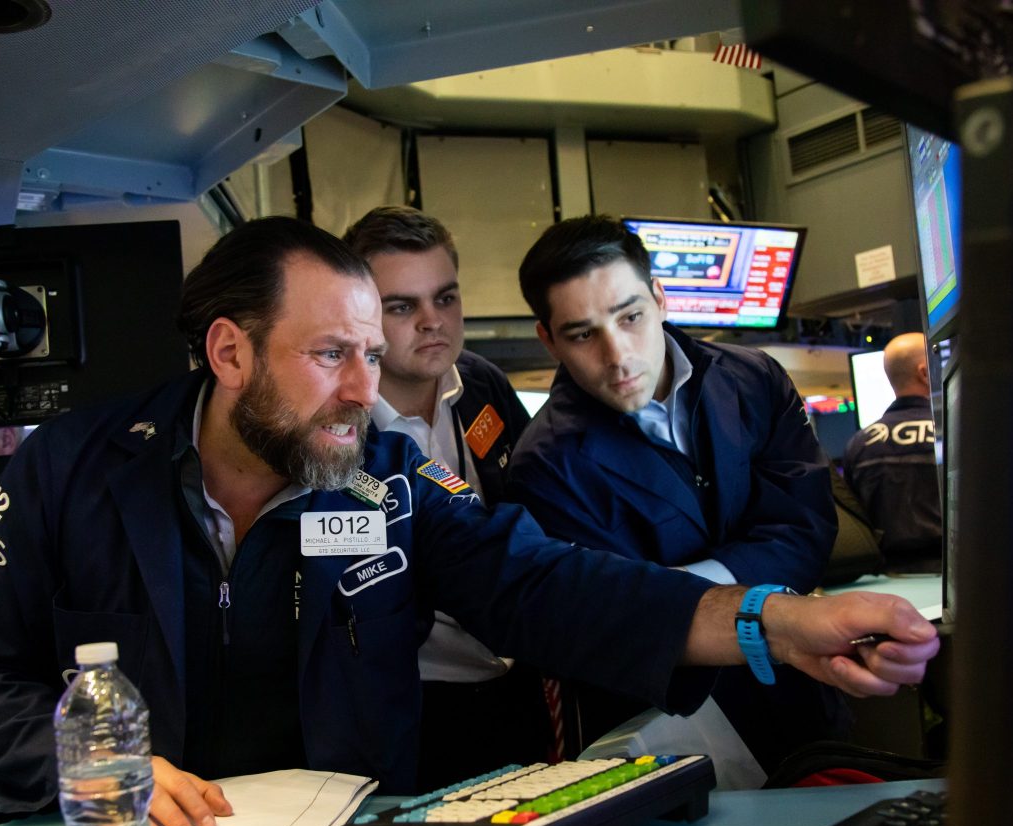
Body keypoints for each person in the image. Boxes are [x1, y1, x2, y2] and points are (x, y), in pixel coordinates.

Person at [0, 216, 938, 826]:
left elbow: (549, 587)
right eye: (333, 355)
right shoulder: (72, 470)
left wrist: (771, 621)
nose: (366, 391)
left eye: (371, 356)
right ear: (229, 351)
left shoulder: (387, 481)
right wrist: (87, 764)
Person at [505, 215, 847, 772]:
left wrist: (683, 589)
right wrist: (727, 581)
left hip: (803, 690)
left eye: (630, 317)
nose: (617, 356)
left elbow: (806, 529)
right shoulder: (545, 466)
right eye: (583, 334)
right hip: (676, 730)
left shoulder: (755, 378)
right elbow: (625, 619)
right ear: (548, 340)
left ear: (660, 298)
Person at [343, 206, 554, 788]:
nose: (434, 322)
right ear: (360, 313)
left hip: (518, 682)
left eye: (446, 298)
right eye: (403, 307)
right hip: (413, 704)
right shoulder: (338, 425)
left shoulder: (481, 383)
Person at [842, 332, 942, 573]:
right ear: (925, 373)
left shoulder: (859, 443)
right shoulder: (954, 428)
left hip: (889, 579)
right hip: (953, 575)